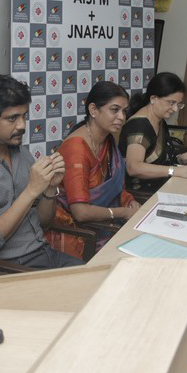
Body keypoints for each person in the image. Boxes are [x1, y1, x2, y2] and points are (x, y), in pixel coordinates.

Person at [0, 74, 84, 269]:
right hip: (9, 267)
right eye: (12, 118)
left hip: (43, 253)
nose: (22, 125)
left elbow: (44, 223)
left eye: (24, 116)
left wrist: (48, 190)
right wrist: (30, 190)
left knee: (104, 282)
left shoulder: (20, 152)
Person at [46, 82, 140, 259]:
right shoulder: (77, 148)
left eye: (124, 111)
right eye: (115, 110)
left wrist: (130, 202)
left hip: (103, 225)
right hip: (76, 233)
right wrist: (124, 212)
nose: (121, 117)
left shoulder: (107, 140)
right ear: (94, 110)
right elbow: (81, 212)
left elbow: (116, 186)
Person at [120, 72, 187, 197]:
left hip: (161, 185)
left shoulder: (158, 119)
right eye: (171, 103)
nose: (175, 109)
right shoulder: (140, 127)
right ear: (153, 99)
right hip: (141, 193)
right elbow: (133, 167)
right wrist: (175, 171)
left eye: (178, 104)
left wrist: (179, 158)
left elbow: (158, 159)